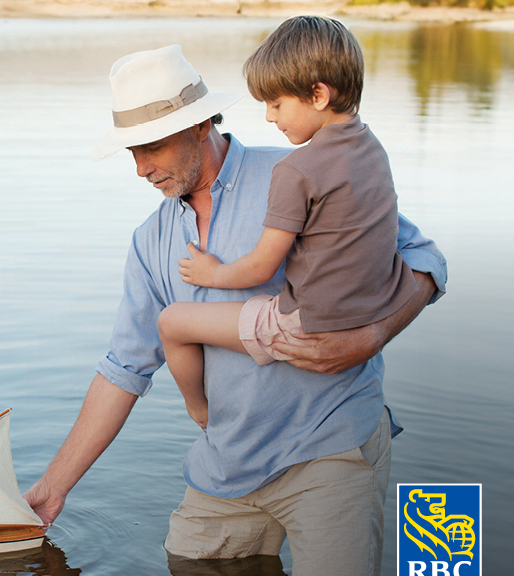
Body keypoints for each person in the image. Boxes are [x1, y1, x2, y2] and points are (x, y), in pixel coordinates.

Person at [24, 41, 447, 576]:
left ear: (200, 126)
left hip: (330, 447)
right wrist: (52, 488)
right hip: (226, 466)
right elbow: (124, 368)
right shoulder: (150, 243)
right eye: (132, 151)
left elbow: (425, 260)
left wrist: (371, 336)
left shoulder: (301, 172)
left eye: (152, 148)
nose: (140, 168)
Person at [158, 17, 418, 429]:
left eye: (276, 104)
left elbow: (261, 266)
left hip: (305, 326)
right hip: (369, 309)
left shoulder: (297, 170)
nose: (268, 117)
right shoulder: (373, 149)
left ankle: (203, 415)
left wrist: (214, 273)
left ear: (317, 95)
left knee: (172, 322)